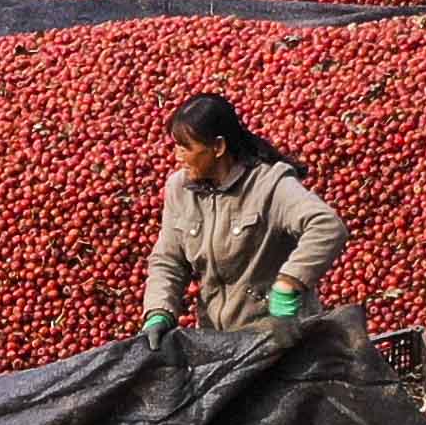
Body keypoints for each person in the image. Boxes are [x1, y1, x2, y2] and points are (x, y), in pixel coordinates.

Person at [139, 94, 345, 342]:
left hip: (278, 335)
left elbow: (326, 226)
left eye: (186, 148)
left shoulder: (269, 184)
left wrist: (290, 282)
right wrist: (159, 312)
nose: (177, 157)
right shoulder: (179, 189)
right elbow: (169, 259)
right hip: (219, 340)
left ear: (218, 147)